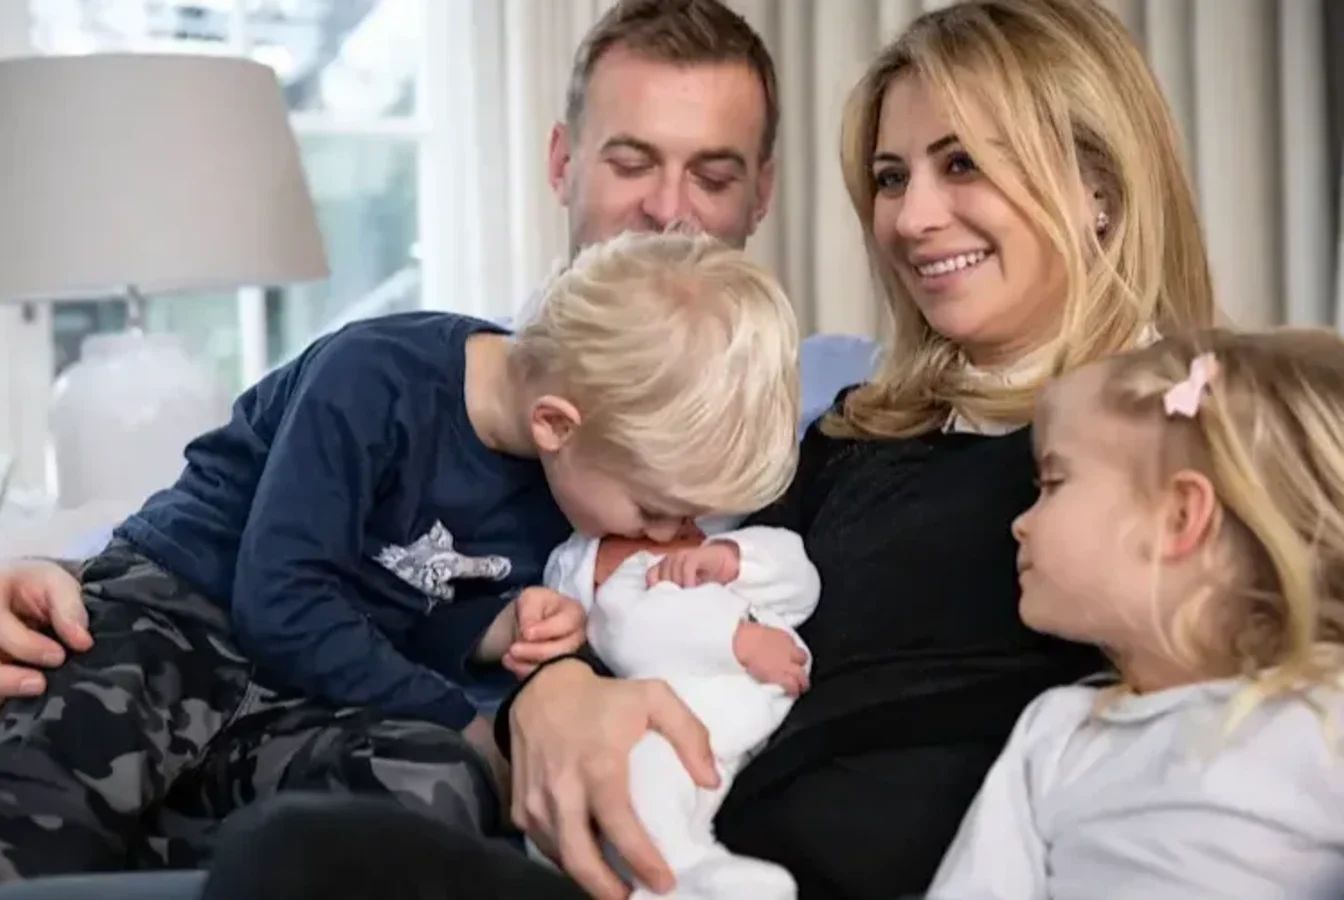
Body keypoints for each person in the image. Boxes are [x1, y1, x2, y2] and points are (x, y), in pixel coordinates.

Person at [490, 1, 1217, 899]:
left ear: (1097, 187)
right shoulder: (850, 433)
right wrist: (553, 692)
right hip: (672, 858)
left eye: (962, 164)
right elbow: (664, 593)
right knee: (319, 850)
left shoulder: (1177, 440)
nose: (911, 219)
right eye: (889, 176)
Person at [0, 228, 806, 896]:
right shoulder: (375, 377)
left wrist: (496, 631)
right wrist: (464, 717)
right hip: (179, 621)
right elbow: (282, 596)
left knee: (440, 782)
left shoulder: (574, 478)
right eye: (657, 511)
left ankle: (167, 848)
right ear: (556, 425)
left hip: (302, 699)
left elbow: (420, 593)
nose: (666, 538)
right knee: (52, 797)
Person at [928, 328, 1344, 898]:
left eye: (1053, 482)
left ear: (1179, 518)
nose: (1019, 523)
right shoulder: (1056, 738)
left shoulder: (1324, 717)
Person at [534, 522, 819, 899]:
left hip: (767, 720)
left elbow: (801, 579)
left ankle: (689, 873)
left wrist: (735, 559)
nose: (659, 541)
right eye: (608, 561)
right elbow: (622, 631)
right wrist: (734, 640)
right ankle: (683, 875)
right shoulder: (630, 588)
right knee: (645, 785)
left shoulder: (726, 567)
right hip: (680, 724)